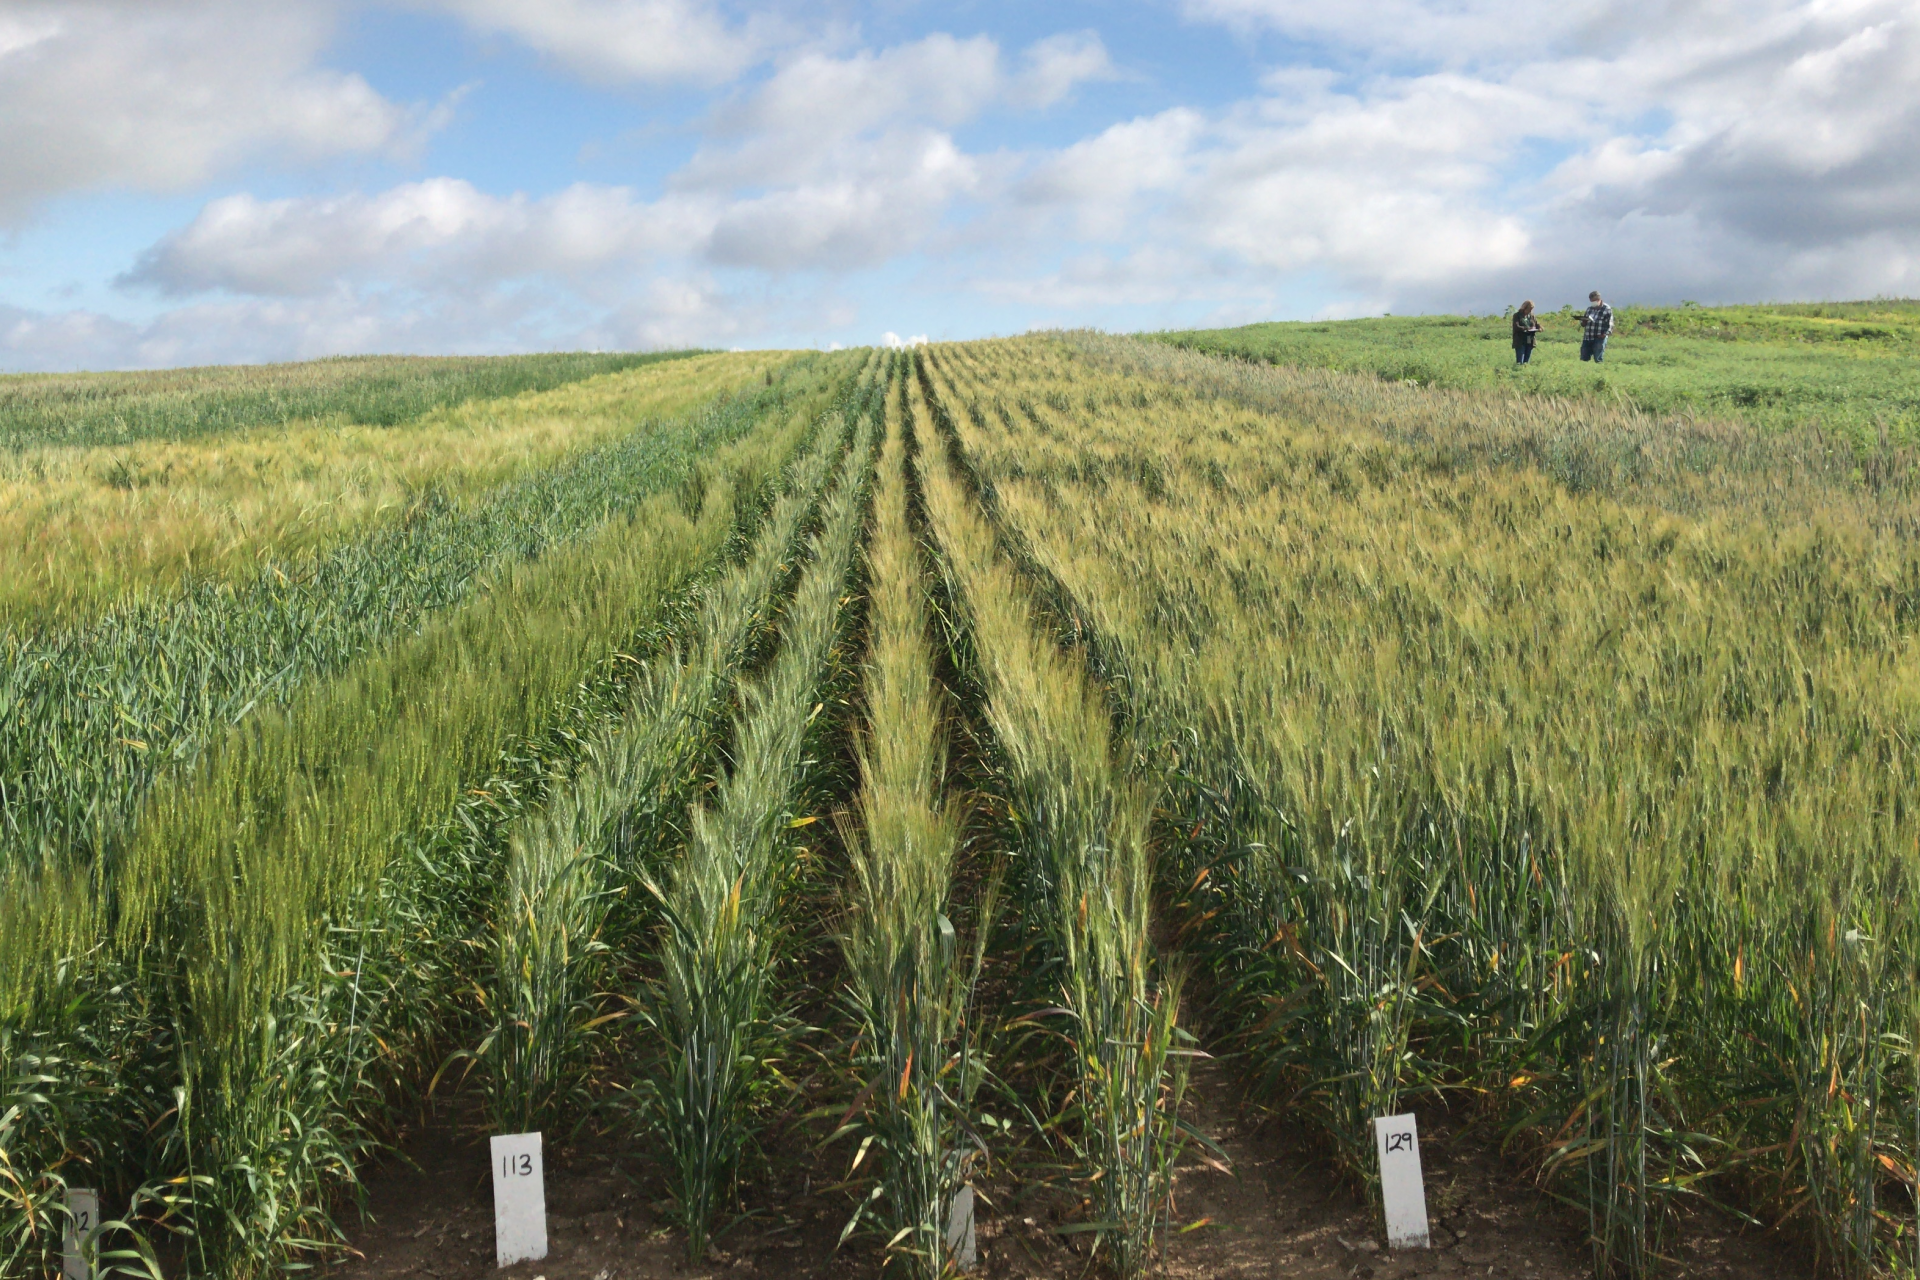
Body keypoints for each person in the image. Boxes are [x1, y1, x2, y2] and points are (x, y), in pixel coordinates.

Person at [1580, 291, 1614, 362]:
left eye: (1594, 301)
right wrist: (1583, 322)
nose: (1593, 303)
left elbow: (1610, 324)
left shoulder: (1607, 309)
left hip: (1599, 338)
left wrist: (1605, 334)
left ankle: (1599, 371)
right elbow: (1583, 323)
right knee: (1584, 358)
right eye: (1591, 301)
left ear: (1599, 300)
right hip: (1588, 337)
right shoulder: (1589, 309)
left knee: (1598, 359)